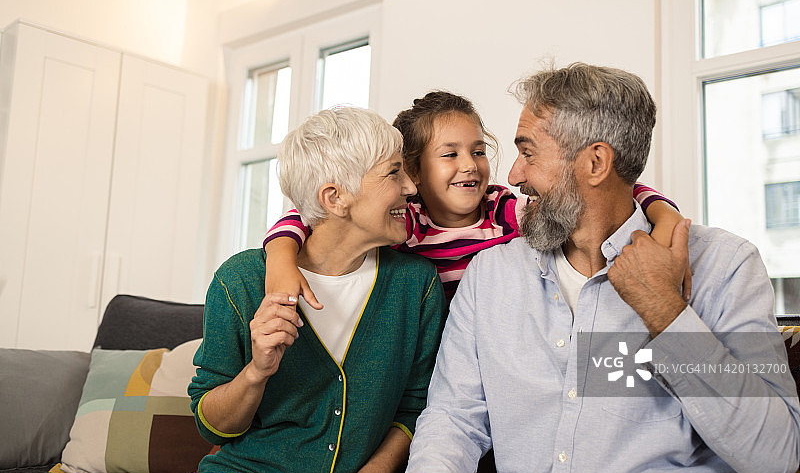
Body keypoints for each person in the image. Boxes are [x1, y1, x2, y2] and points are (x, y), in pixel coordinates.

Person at [400, 63, 800, 473]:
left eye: (528, 153)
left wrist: (665, 312)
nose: (512, 176)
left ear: (595, 163)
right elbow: (453, 418)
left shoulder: (724, 266)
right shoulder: (491, 276)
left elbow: (775, 458)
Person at [179, 107, 448, 473]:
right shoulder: (240, 280)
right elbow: (212, 426)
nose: (411, 187)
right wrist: (257, 372)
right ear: (335, 198)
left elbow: (416, 407)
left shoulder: (416, 285)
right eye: (394, 173)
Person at [261, 91, 687, 306]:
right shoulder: (403, 221)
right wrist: (281, 258)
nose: (470, 165)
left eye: (478, 151)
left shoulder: (505, 210)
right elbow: (313, 213)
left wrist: (662, 214)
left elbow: (598, 192)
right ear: (412, 172)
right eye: (449, 155)